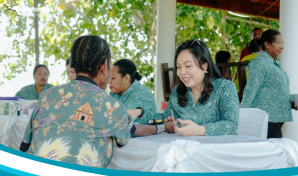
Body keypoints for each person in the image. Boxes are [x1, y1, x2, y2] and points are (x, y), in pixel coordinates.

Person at [20, 35, 133, 168]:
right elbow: (122, 139)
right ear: (103, 66)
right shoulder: (114, 107)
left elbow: (24, 145)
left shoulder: (46, 96)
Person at [161, 39, 239, 136]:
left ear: (204, 66)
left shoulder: (225, 88)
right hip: (187, 149)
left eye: (188, 66)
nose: (182, 72)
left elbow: (231, 125)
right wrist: (169, 124)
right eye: (178, 67)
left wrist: (200, 130)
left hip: (220, 149)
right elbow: (165, 118)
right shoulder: (177, 93)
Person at [241, 29, 294, 138]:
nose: (282, 47)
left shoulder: (275, 63)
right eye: (278, 43)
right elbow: (251, 90)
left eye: (282, 43)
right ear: (267, 44)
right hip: (266, 119)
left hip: (276, 118)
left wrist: (290, 101)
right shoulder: (259, 63)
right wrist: (242, 116)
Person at [109, 59, 157, 124]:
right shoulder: (114, 93)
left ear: (126, 78)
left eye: (112, 78)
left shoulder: (139, 93)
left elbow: (119, 119)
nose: (109, 81)